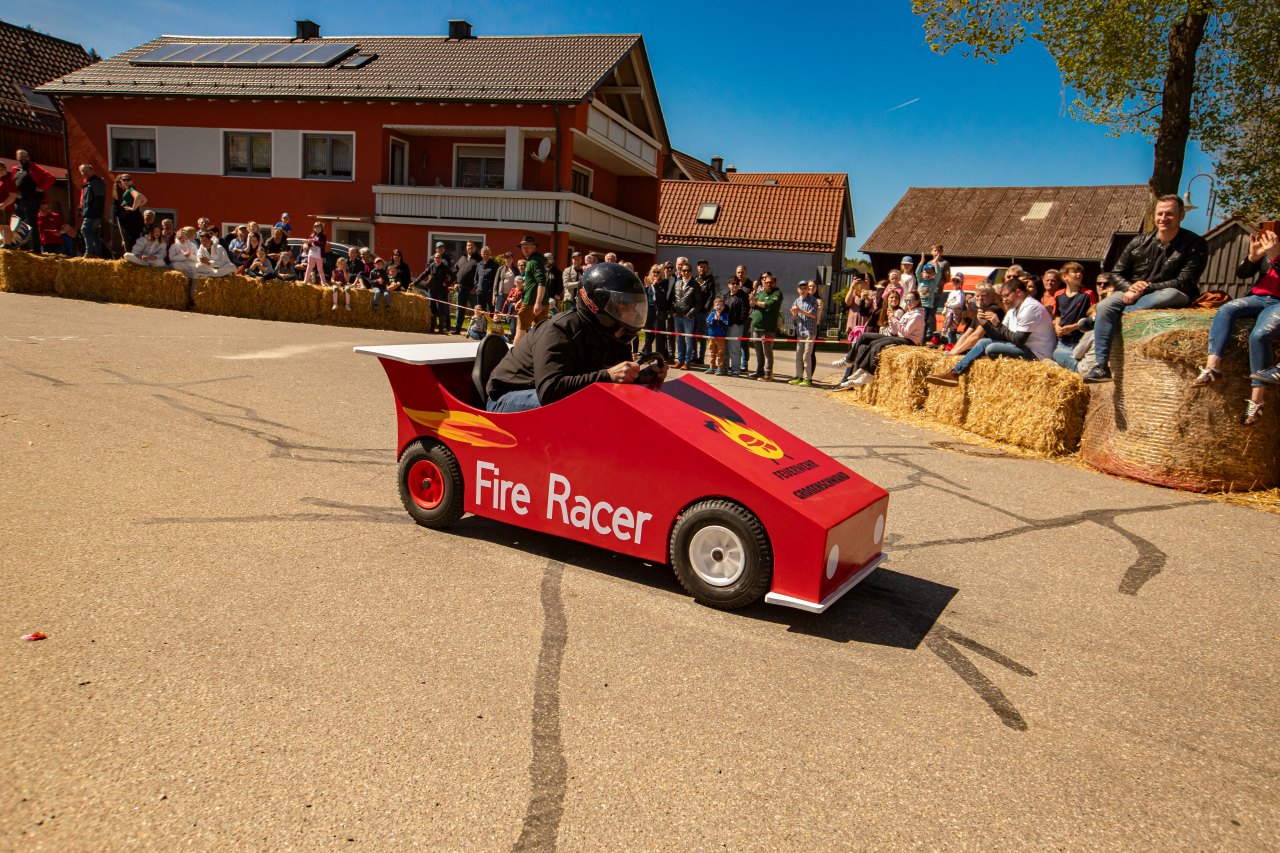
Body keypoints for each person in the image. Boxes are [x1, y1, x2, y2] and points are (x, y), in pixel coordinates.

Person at [485, 262, 662, 413]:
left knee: (607, 403)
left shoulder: (615, 336)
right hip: (508, 396)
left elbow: (616, 382)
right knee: (585, 405)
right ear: (598, 302)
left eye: (634, 305)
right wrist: (607, 375)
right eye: (625, 305)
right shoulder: (559, 330)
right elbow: (550, 391)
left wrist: (640, 377)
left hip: (543, 392)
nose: (632, 312)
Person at [1083, 195, 1209, 383]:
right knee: (1104, 306)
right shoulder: (1139, 242)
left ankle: (1101, 321)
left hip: (1171, 292)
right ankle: (1101, 366)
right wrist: (1129, 287)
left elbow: (1185, 281)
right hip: (1133, 293)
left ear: (1181, 215)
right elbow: (1115, 274)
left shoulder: (1195, 244)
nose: (1163, 218)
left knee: (1166, 296)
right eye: (1160, 213)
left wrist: (1145, 289)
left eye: (1170, 214)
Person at [1190, 228, 1280, 426]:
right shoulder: (1274, 242)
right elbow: (1242, 273)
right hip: (1258, 297)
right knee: (1226, 309)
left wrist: (1276, 258)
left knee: (1259, 336)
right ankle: (1212, 368)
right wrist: (1253, 257)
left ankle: (1257, 401)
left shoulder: (1275, 250)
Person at [926, 278, 1057, 386]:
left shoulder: (1031, 308)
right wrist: (986, 324)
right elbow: (1001, 336)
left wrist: (997, 324)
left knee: (991, 348)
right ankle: (955, 373)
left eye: (1006, 296)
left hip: (1036, 353)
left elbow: (1018, 339)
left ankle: (955, 373)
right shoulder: (1013, 309)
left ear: (1018, 292)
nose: (1004, 299)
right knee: (984, 343)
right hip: (1022, 346)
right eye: (1003, 296)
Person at [839, 290, 926, 387]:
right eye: (906, 300)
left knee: (878, 344)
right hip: (900, 336)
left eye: (911, 300)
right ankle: (852, 362)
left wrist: (893, 318)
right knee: (868, 339)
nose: (908, 303)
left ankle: (868, 373)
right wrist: (891, 319)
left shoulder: (916, 315)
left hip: (909, 340)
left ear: (917, 301)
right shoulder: (909, 313)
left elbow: (905, 332)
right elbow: (895, 330)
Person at [11, 150, 56, 252]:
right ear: (17, 158)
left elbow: (51, 178)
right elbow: (12, 183)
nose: (23, 158)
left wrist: (41, 188)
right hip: (19, 200)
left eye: (25, 156)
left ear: (28, 157)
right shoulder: (15, 169)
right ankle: (23, 246)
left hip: (32, 200)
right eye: (21, 156)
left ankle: (36, 248)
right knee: (18, 223)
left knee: (32, 223)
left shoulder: (34, 167)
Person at [1050, 262, 1092, 370]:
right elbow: (1058, 314)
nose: (1079, 274)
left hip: (1079, 340)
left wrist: (1073, 327)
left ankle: (1079, 370)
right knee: (1057, 355)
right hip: (1063, 341)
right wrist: (1057, 327)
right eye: (1075, 272)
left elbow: (1092, 318)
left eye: (1080, 272)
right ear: (1065, 276)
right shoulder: (1058, 294)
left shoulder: (1087, 294)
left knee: (1058, 356)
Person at [749, 272, 782, 381]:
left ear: (775, 283)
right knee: (758, 352)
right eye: (766, 282)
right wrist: (753, 300)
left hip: (767, 328)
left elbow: (769, 305)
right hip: (756, 327)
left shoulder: (777, 294)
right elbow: (752, 304)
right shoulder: (762, 293)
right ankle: (759, 372)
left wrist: (756, 302)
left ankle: (768, 374)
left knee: (767, 352)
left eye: (770, 282)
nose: (768, 284)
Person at [514, 235, 546, 345]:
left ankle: (513, 357)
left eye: (528, 246)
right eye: (523, 246)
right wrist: (522, 299)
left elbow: (541, 282)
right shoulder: (534, 261)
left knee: (521, 327)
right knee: (540, 330)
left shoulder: (534, 262)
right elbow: (531, 284)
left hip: (532, 302)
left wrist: (537, 302)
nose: (525, 248)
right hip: (538, 301)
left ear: (534, 247)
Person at [671, 257, 701, 369]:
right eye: (684, 271)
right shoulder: (677, 283)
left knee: (688, 340)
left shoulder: (695, 284)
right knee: (679, 339)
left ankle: (687, 362)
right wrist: (673, 311)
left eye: (688, 270)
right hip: (677, 316)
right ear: (681, 271)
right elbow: (673, 299)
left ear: (691, 272)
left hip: (688, 317)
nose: (686, 272)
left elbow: (698, 302)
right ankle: (680, 360)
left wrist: (690, 314)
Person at [413, 244, 452, 328]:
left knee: (441, 309)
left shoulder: (445, 267)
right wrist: (414, 283)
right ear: (434, 259)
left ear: (441, 259)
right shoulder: (431, 266)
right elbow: (423, 274)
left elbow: (454, 276)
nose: (437, 259)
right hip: (432, 290)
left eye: (439, 258)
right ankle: (432, 327)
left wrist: (448, 283)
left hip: (441, 291)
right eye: (436, 258)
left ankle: (441, 327)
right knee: (432, 308)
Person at [789, 280, 820, 386]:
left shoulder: (813, 300)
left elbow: (813, 315)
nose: (803, 290)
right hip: (800, 331)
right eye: (800, 288)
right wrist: (793, 313)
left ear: (808, 289)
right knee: (798, 355)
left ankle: (808, 379)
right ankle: (798, 376)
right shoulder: (797, 300)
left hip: (810, 331)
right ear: (798, 290)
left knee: (806, 356)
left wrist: (799, 310)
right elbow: (794, 317)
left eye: (804, 288)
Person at [74, 164, 106, 258]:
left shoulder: (96, 182)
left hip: (92, 213)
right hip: (92, 212)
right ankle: (97, 254)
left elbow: (99, 199)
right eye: (83, 171)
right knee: (94, 233)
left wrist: (89, 211)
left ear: (92, 171)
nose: (85, 173)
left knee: (85, 230)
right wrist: (81, 208)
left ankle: (89, 253)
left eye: (87, 170)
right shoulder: (89, 183)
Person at [723, 273, 751, 377]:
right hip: (725, 325)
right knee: (725, 348)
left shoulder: (742, 297)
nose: (734, 285)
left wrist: (738, 322)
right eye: (732, 283)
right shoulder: (725, 296)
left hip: (736, 326)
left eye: (736, 283)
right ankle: (724, 368)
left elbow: (745, 311)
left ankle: (735, 369)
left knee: (734, 348)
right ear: (728, 285)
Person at [111, 173, 147, 254]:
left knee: (132, 240)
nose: (126, 181)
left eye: (128, 179)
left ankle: (133, 256)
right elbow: (144, 199)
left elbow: (138, 197)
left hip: (132, 219)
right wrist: (136, 206)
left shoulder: (131, 189)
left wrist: (133, 208)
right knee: (130, 239)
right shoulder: (128, 190)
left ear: (132, 181)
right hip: (129, 218)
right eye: (124, 179)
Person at [451, 240, 481, 334]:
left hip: (472, 290)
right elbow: (455, 271)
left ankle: (478, 330)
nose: (470, 247)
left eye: (472, 246)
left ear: (475, 248)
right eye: (468, 246)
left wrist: (475, 287)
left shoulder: (478, 260)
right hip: (461, 288)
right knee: (460, 310)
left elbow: (480, 275)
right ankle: (457, 329)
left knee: (476, 310)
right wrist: (455, 283)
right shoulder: (462, 258)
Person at [692, 259, 718, 365]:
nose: (702, 268)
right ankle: (694, 355)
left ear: (707, 268)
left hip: (702, 312)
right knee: (692, 334)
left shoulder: (710, 280)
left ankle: (701, 357)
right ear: (697, 268)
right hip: (693, 311)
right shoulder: (694, 279)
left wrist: (706, 309)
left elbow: (712, 296)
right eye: (700, 266)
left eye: (704, 267)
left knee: (702, 335)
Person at [916, 263, 941, 343]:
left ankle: (922, 339)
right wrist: (920, 263)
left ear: (933, 274)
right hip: (919, 305)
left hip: (927, 306)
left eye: (930, 272)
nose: (927, 274)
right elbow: (917, 272)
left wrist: (936, 263)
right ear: (922, 273)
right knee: (918, 321)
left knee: (924, 321)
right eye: (926, 272)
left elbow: (939, 274)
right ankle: (917, 337)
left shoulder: (933, 282)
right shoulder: (920, 281)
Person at [706, 296, 730, 376]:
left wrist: (719, 321)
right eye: (717, 305)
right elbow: (708, 323)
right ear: (714, 306)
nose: (719, 306)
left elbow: (726, 326)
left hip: (721, 338)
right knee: (712, 353)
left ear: (723, 307)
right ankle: (711, 367)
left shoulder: (725, 315)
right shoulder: (712, 314)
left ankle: (719, 368)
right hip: (712, 337)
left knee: (720, 354)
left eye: (721, 305)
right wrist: (714, 320)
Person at [941, 273, 967, 346]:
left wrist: (949, 305)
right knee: (947, 330)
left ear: (961, 282)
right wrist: (944, 310)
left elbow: (959, 303)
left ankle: (952, 345)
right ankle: (949, 344)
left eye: (957, 281)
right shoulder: (951, 292)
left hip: (955, 314)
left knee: (952, 330)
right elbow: (947, 302)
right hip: (949, 314)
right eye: (953, 280)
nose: (955, 283)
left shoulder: (960, 293)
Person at [475, 245, 500, 313]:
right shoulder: (479, 264)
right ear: (481, 254)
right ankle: (482, 323)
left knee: (492, 310)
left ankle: (492, 323)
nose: (485, 256)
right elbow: (476, 278)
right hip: (480, 292)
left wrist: (494, 291)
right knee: (481, 311)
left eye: (487, 254)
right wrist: (477, 287)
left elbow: (497, 279)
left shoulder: (494, 265)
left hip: (490, 292)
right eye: (484, 254)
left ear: (490, 254)